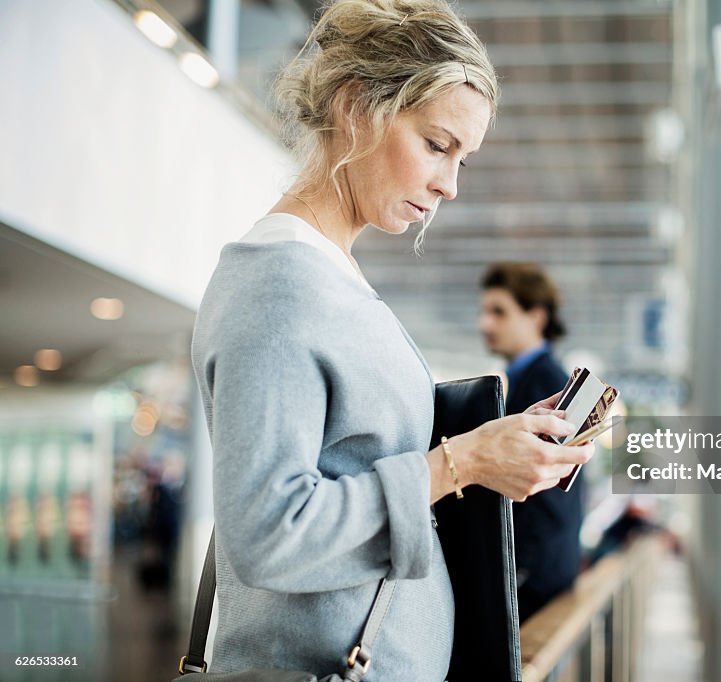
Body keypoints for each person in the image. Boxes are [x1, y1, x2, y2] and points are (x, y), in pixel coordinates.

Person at [189, 1, 594, 678]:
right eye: (437, 145)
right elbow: (269, 531)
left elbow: (363, 458)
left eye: (462, 158)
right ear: (356, 107)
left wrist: (495, 448)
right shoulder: (279, 286)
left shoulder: (329, 274)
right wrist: (458, 464)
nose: (450, 185)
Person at [479, 262, 584, 622]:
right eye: (485, 311)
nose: (485, 324)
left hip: (532, 579)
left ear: (536, 317)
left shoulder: (544, 386)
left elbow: (547, 496)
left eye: (499, 312)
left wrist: (515, 572)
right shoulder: (537, 380)